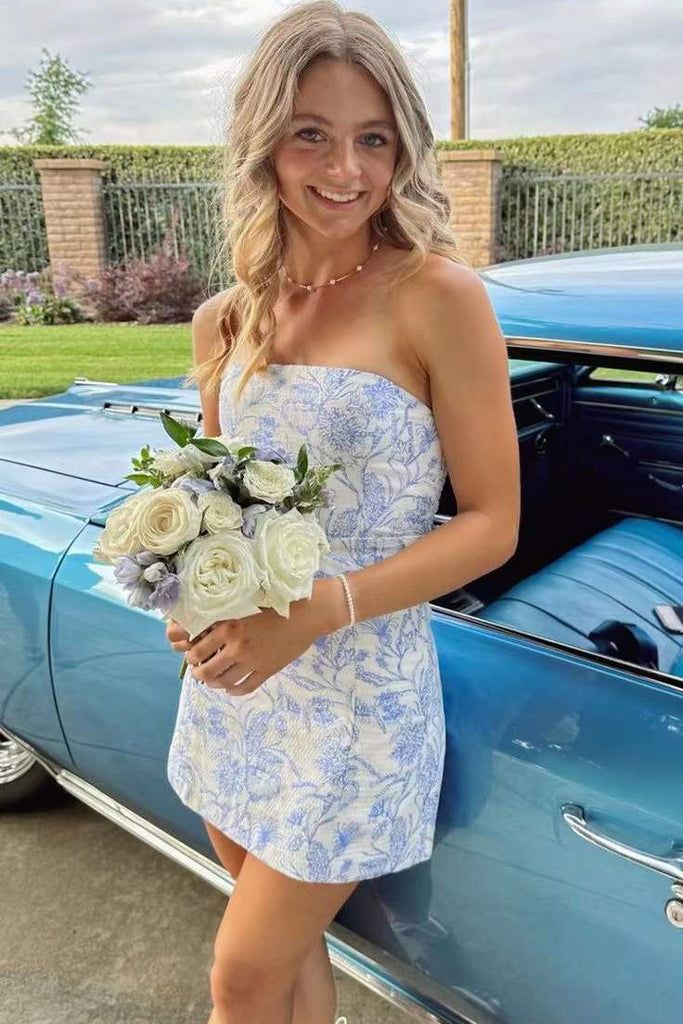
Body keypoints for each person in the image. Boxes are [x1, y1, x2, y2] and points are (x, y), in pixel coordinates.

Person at [164, 2, 520, 1022]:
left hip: (361, 694)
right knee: (282, 965)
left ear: (402, 150)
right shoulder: (227, 317)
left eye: (373, 139)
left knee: (240, 975)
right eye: (311, 134)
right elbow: (215, 501)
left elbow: (491, 522)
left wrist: (323, 607)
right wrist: (187, 597)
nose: (345, 169)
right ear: (262, 141)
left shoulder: (437, 297)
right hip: (238, 684)